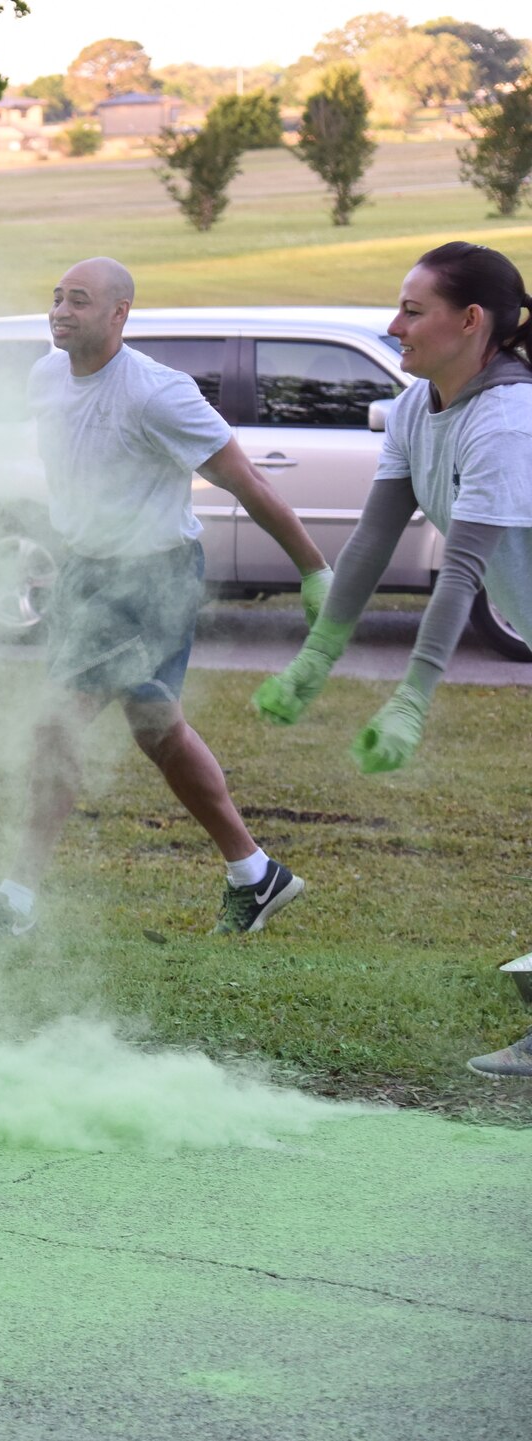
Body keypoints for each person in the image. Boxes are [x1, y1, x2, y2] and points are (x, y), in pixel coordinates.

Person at [0, 257, 333, 938]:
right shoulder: (44, 378)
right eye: (55, 297)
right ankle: (255, 873)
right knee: (158, 732)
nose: (60, 311)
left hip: (153, 576)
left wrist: (315, 570)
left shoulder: (158, 393)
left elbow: (247, 480)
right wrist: (71, 554)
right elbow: (81, 473)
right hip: (89, 572)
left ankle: (16, 899)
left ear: (119, 314)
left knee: (57, 723)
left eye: (79, 300)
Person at [253, 242, 532, 1077]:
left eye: (413, 310)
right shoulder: (419, 407)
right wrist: (317, 657)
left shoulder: (508, 418)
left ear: (470, 321)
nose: (393, 324)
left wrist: (412, 696)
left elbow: (463, 569)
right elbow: (376, 537)